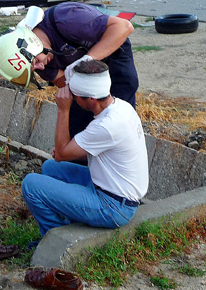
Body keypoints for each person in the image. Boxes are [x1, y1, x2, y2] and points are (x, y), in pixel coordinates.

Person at [21, 59, 148, 237]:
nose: (72, 99)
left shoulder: (106, 125)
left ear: (91, 99)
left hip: (114, 207)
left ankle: (55, 238)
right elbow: (83, 153)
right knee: (50, 168)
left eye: (75, 96)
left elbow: (62, 154)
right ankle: (69, 220)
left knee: (31, 184)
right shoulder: (121, 107)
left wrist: (63, 110)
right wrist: (65, 152)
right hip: (113, 189)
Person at [0, 2, 138, 138]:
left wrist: (88, 59)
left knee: (120, 97)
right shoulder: (39, 61)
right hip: (81, 65)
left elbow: (124, 27)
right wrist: (73, 92)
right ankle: (79, 162)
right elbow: (62, 81)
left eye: (36, 62)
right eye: (34, 68)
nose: (41, 68)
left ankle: (122, 142)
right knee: (79, 113)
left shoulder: (66, 19)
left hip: (111, 45)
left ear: (30, 43)